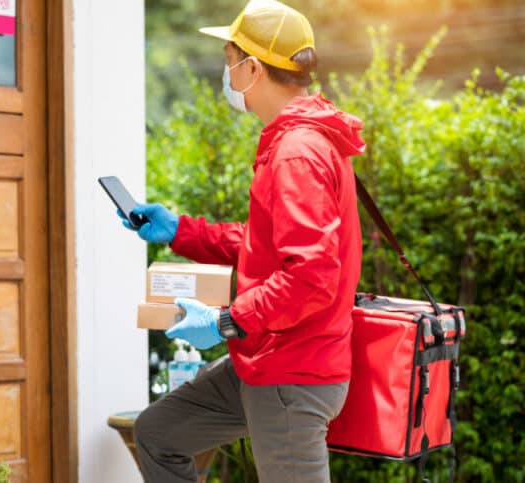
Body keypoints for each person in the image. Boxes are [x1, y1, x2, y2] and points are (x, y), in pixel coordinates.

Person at [118, 1, 367, 481]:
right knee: (158, 433)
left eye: (229, 60)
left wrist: (226, 321)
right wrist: (180, 230)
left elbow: (311, 276)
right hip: (265, 360)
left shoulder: (297, 152)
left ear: (253, 68)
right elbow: (264, 245)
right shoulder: (297, 142)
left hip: (292, 373)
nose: (226, 72)